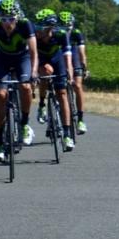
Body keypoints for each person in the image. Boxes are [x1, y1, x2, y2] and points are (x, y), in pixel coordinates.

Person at [0, 0, 38, 159]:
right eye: (4, 19)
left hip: (22, 58)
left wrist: (34, 72)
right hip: (2, 60)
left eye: (11, 19)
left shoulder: (25, 25)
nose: (8, 23)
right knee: (0, 95)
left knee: (26, 87)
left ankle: (25, 123)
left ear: (17, 17)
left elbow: (34, 52)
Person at [33, 8, 76, 151]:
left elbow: (67, 57)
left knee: (62, 94)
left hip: (57, 60)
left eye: (41, 28)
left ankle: (67, 133)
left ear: (50, 28)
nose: (38, 30)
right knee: (45, 72)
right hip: (41, 59)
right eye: (37, 27)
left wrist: (69, 74)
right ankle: (42, 104)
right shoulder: (34, 36)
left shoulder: (61, 35)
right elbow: (32, 56)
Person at [60, 10, 89, 134]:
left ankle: (81, 120)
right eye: (64, 27)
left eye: (69, 27)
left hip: (74, 58)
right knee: (60, 90)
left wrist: (84, 68)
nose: (67, 30)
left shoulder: (77, 33)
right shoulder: (57, 34)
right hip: (62, 58)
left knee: (77, 86)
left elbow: (82, 53)